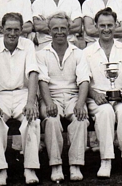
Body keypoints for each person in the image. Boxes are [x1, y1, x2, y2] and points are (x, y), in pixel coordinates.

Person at [0, 12, 41, 185]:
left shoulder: (28, 44)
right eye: (8, 29)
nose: (12, 34)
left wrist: (30, 102)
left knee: (32, 119)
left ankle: (30, 169)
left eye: (16, 30)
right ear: (1, 29)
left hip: (23, 93)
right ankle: (0, 170)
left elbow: (33, 73)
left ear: (22, 30)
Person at [84, 7, 122, 178]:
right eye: (102, 25)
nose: (106, 29)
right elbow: (84, 81)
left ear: (116, 25)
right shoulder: (87, 52)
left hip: (120, 96)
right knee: (105, 111)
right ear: (96, 26)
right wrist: (95, 95)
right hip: (97, 98)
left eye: (110, 25)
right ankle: (106, 160)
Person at [36, 12, 90, 182]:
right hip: (51, 96)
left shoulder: (79, 53)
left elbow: (83, 81)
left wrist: (80, 104)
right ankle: (56, 165)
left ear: (69, 30)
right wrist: (49, 103)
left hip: (74, 96)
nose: (59, 32)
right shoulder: (41, 53)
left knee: (80, 118)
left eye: (63, 28)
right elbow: (42, 81)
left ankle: (75, 164)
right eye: (55, 29)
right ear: (49, 31)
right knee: (51, 120)